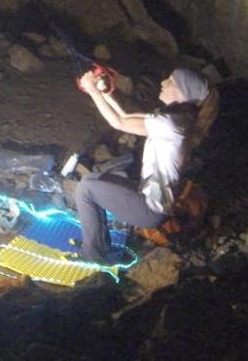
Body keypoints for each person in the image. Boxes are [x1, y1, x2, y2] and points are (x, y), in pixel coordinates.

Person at [75, 68, 219, 262]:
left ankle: (94, 256)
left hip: (150, 209)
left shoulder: (171, 125)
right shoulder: (178, 119)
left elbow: (118, 122)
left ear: (182, 93)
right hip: (150, 200)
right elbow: (125, 117)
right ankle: (100, 243)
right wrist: (105, 93)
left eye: (169, 81)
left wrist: (92, 91)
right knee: (90, 179)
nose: (163, 82)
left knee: (85, 189)